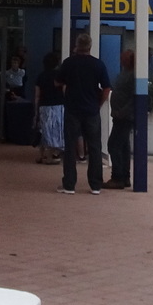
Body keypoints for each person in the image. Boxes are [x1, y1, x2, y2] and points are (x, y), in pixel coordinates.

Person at [56, 33, 111, 194]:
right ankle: (95, 185)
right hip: (92, 110)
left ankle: (69, 184)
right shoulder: (98, 65)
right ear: (90, 46)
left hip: (72, 109)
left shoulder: (68, 63)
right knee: (94, 147)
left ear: (76, 45)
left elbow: (57, 81)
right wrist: (98, 103)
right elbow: (106, 87)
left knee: (70, 146)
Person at [104, 48, 136, 189]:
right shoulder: (124, 73)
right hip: (118, 115)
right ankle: (125, 177)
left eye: (124, 57)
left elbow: (133, 97)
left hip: (125, 116)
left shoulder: (133, 75)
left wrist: (123, 111)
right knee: (123, 147)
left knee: (113, 144)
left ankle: (117, 177)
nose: (121, 59)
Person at [33, 53, 64, 164]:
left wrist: (36, 110)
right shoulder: (59, 75)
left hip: (44, 106)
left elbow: (37, 95)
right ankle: (50, 156)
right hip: (57, 106)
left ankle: (41, 155)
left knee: (43, 130)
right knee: (54, 132)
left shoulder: (41, 76)